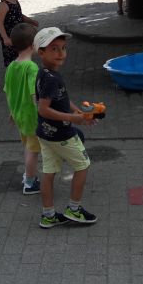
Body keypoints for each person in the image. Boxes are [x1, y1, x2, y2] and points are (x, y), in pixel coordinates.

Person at [33, 27, 97, 228]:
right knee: (83, 165)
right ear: (41, 52)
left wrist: (78, 113)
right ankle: (74, 209)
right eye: (54, 49)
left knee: (49, 171)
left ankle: (48, 215)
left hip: (45, 134)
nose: (61, 53)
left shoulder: (44, 74)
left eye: (63, 48)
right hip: (62, 135)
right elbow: (43, 109)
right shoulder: (52, 78)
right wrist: (72, 118)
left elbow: (60, 99)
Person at [3, 23, 42, 195]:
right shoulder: (31, 67)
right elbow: (35, 94)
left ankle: (28, 176)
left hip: (19, 115)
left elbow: (8, 91)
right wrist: (43, 112)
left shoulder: (12, 66)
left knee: (28, 147)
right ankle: (30, 183)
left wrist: (12, 111)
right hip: (31, 117)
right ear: (33, 45)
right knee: (33, 151)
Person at [0, 0, 38, 67]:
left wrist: (32, 22)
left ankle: (23, 72)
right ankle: (13, 74)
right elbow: (0, 23)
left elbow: (20, 15)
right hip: (10, 38)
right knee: (13, 61)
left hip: (19, 35)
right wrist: (5, 38)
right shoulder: (4, 5)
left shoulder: (15, 1)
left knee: (22, 57)